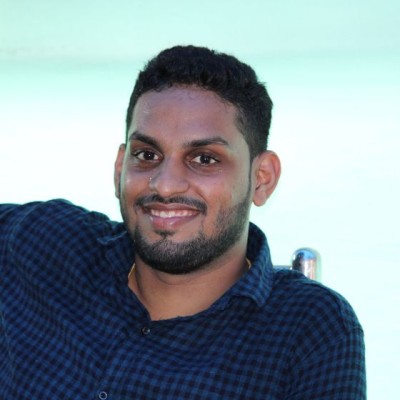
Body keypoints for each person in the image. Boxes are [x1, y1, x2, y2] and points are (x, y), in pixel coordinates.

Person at [0, 45, 366, 399]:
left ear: (261, 179)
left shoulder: (308, 331)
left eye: (204, 159)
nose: (165, 184)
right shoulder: (43, 244)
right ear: (119, 168)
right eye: (147, 155)